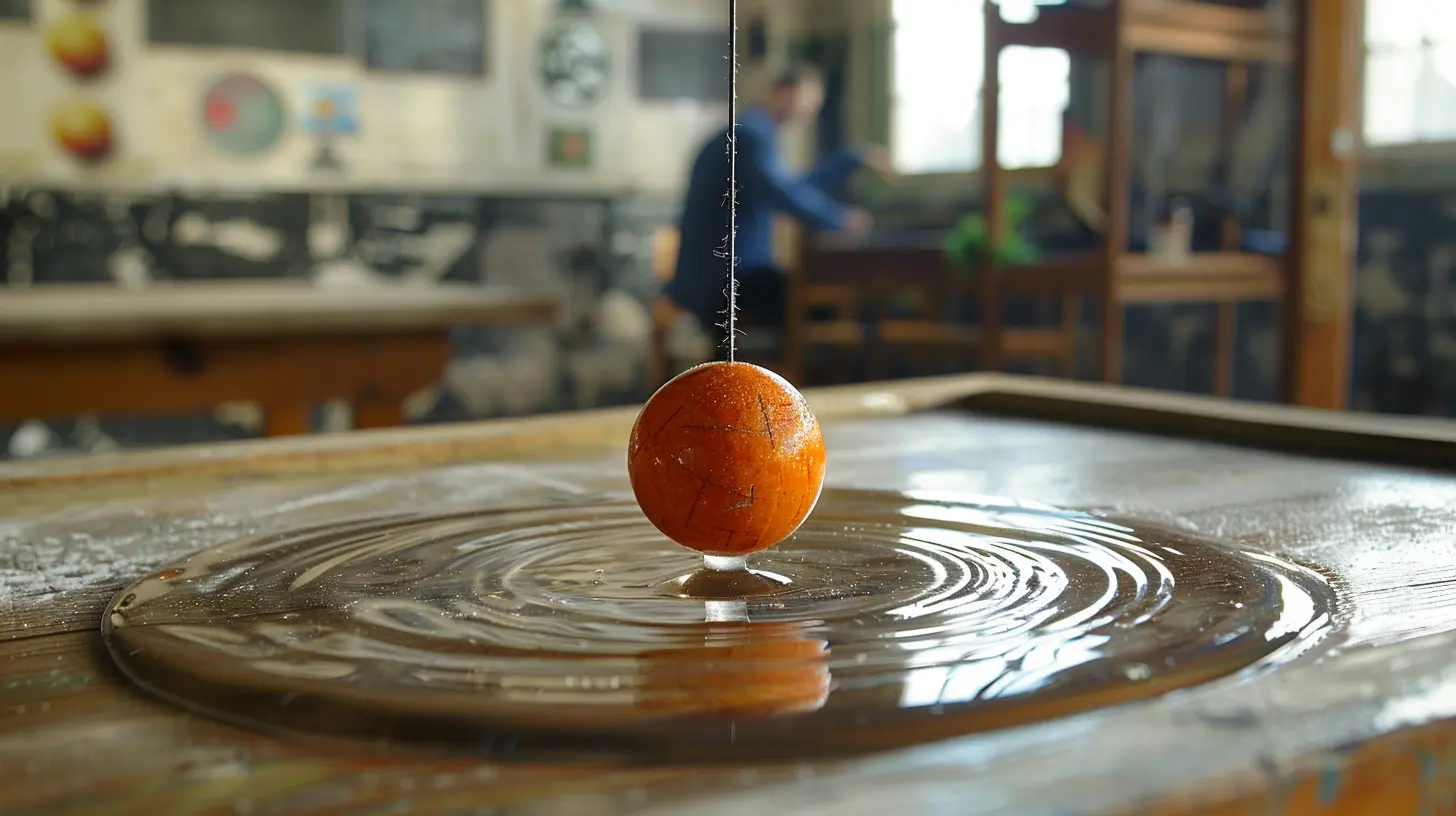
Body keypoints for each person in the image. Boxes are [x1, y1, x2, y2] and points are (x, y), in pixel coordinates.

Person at [662, 63, 895, 345]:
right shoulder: (749, 135)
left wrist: (854, 159)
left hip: (719, 277)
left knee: (816, 297)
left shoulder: (749, 133)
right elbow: (784, 194)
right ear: (783, 92)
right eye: (809, 100)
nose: (812, 110)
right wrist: (841, 219)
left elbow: (792, 188)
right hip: (722, 281)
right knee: (826, 303)